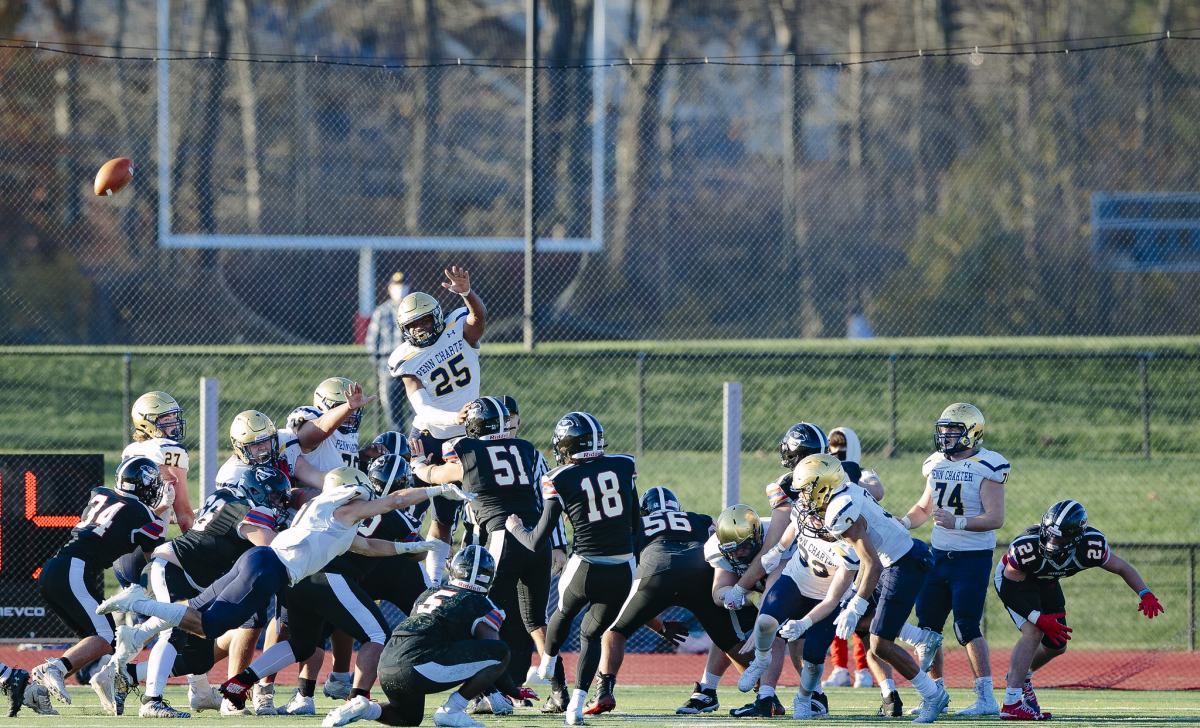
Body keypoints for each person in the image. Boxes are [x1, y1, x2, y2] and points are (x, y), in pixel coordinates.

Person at [96, 466, 474, 710]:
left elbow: (367, 546)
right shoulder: (340, 505)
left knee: (200, 611)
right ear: (351, 490)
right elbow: (393, 500)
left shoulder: (331, 520)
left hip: (265, 565)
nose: (366, 502)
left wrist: (412, 547)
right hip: (270, 570)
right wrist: (438, 490)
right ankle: (358, 698)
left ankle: (138, 627)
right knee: (208, 625)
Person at [773, 454, 949, 723]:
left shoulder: (838, 511)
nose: (804, 498)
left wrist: (856, 605)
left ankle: (933, 694)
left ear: (823, 487)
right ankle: (919, 638)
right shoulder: (845, 490)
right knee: (852, 617)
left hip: (902, 564)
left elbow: (872, 564)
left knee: (880, 645)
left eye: (807, 491)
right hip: (892, 560)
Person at [114, 466, 288, 718]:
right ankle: (151, 701)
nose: (276, 504)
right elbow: (273, 548)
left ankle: (124, 675)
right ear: (256, 489)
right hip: (170, 568)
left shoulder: (228, 499)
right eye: (273, 497)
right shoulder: (248, 510)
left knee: (200, 658)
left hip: (192, 579)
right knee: (172, 630)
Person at [505, 411, 638, 726]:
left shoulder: (558, 477)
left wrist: (514, 529)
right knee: (591, 636)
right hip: (623, 569)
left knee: (561, 615)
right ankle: (575, 711)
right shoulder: (624, 464)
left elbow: (537, 539)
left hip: (586, 566)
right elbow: (634, 523)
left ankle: (548, 663)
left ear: (567, 445)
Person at [588, 488, 751, 716]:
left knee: (615, 629)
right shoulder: (700, 519)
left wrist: (662, 628)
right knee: (731, 642)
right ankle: (764, 694)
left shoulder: (634, 524)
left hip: (656, 570)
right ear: (677, 508)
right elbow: (722, 553)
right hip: (701, 572)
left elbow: (628, 590)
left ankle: (604, 691)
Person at [994, 500, 1163, 721]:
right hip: (1016, 583)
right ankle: (1011, 704)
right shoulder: (1026, 548)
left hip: (1048, 582)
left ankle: (1022, 676)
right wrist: (1037, 618)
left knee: (1057, 645)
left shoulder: (1091, 547)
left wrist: (1145, 593)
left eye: (1060, 538)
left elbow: (1122, 567)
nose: (1052, 542)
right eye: (1049, 535)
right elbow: (1008, 590)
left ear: (1075, 538)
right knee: (1034, 631)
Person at [319, 546, 519, 728]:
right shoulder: (483, 604)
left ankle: (366, 708)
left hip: (388, 663)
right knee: (501, 650)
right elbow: (494, 651)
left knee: (407, 719)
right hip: (422, 665)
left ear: (455, 569)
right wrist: (513, 690)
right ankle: (453, 710)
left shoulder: (429, 593)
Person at [30, 458, 170, 709]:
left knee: (94, 641)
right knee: (105, 637)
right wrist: (162, 512)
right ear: (142, 486)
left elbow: (121, 519)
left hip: (55, 568)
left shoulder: (102, 495)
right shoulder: (143, 514)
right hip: (74, 570)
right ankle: (54, 668)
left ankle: (36, 692)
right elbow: (155, 561)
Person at [899, 403, 1007, 716]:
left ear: (972, 432)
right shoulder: (935, 463)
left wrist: (957, 522)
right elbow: (923, 509)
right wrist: (901, 523)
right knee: (928, 630)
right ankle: (935, 694)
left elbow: (996, 517)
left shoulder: (988, 465)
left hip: (972, 558)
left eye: (953, 430)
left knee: (966, 626)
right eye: (943, 430)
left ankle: (986, 698)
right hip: (937, 557)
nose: (945, 436)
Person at [388, 266, 485, 582]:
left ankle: (434, 583)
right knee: (408, 516)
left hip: (465, 439)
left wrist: (467, 295)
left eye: (425, 321)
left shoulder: (457, 328)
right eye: (413, 326)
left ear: (438, 317)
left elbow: (478, 320)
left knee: (445, 517)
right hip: (428, 436)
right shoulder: (406, 359)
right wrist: (453, 417)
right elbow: (422, 408)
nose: (420, 330)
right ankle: (403, 579)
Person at [706, 504, 794, 718]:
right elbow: (719, 593)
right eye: (732, 550)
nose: (738, 554)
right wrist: (750, 597)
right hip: (758, 590)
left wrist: (760, 621)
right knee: (725, 629)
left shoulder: (778, 538)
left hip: (800, 584)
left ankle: (810, 696)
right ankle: (707, 689)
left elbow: (774, 597)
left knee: (778, 631)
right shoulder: (717, 548)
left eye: (744, 546)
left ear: (758, 536)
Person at [825, 426, 883, 689]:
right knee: (835, 607)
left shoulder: (863, 474)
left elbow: (877, 491)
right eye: (833, 450)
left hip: (860, 548)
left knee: (860, 610)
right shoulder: (826, 476)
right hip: (836, 551)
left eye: (843, 451)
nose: (837, 455)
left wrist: (850, 480)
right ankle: (839, 668)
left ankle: (862, 669)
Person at [123, 391, 195, 532]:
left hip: (122, 533)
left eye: (175, 417)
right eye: (167, 419)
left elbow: (146, 509)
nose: (175, 424)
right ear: (147, 423)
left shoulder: (129, 450)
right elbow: (184, 514)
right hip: (147, 540)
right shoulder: (169, 450)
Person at [287, 378, 384, 471]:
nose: (348, 415)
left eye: (354, 410)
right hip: (315, 488)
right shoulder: (314, 425)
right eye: (340, 407)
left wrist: (364, 455)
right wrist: (348, 408)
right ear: (321, 408)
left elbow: (339, 461)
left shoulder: (348, 434)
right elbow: (320, 429)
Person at [367, 271, 411, 433]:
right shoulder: (381, 312)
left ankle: (418, 448)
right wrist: (381, 367)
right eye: (396, 286)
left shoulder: (414, 310)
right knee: (393, 414)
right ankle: (400, 449)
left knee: (417, 412)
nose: (400, 289)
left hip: (412, 368)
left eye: (403, 285)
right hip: (388, 372)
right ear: (389, 288)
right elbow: (372, 343)